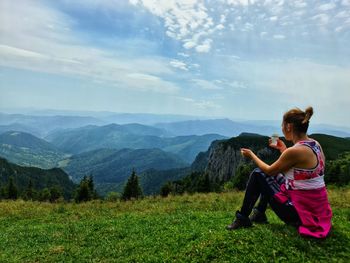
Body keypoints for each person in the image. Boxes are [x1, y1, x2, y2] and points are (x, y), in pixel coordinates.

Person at [226, 107, 332, 238]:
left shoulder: (295, 151)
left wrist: (252, 155)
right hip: (315, 210)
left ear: (289, 126)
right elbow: (302, 170)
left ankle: (242, 218)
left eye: (282, 124)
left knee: (259, 173)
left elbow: (269, 171)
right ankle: (259, 213)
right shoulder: (315, 144)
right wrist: (283, 149)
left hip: (298, 213)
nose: (281, 128)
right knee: (272, 176)